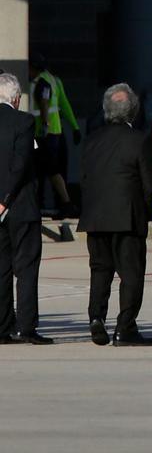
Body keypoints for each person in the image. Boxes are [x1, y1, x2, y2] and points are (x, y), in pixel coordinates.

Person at [78, 83, 152, 346]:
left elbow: (85, 178)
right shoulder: (140, 140)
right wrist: (146, 213)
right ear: (133, 111)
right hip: (127, 217)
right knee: (131, 273)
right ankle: (125, 327)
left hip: (96, 216)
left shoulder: (92, 140)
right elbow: (150, 184)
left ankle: (96, 318)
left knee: (100, 270)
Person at [0, 73, 52, 345]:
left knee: (2, 268)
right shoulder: (24, 121)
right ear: (16, 98)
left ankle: (2, 326)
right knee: (27, 267)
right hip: (20, 205)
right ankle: (26, 326)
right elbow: (20, 164)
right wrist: (5, 199)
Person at [28, 53, 80, 218]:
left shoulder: (39, 82)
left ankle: (61, 204)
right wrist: (75, 127)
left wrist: (43, 125)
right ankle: (61, 204)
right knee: (48, 168)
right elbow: (65, 105)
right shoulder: (54, 80)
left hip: (42, 133)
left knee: (45, 169)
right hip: (55, 132)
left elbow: (43, 105)